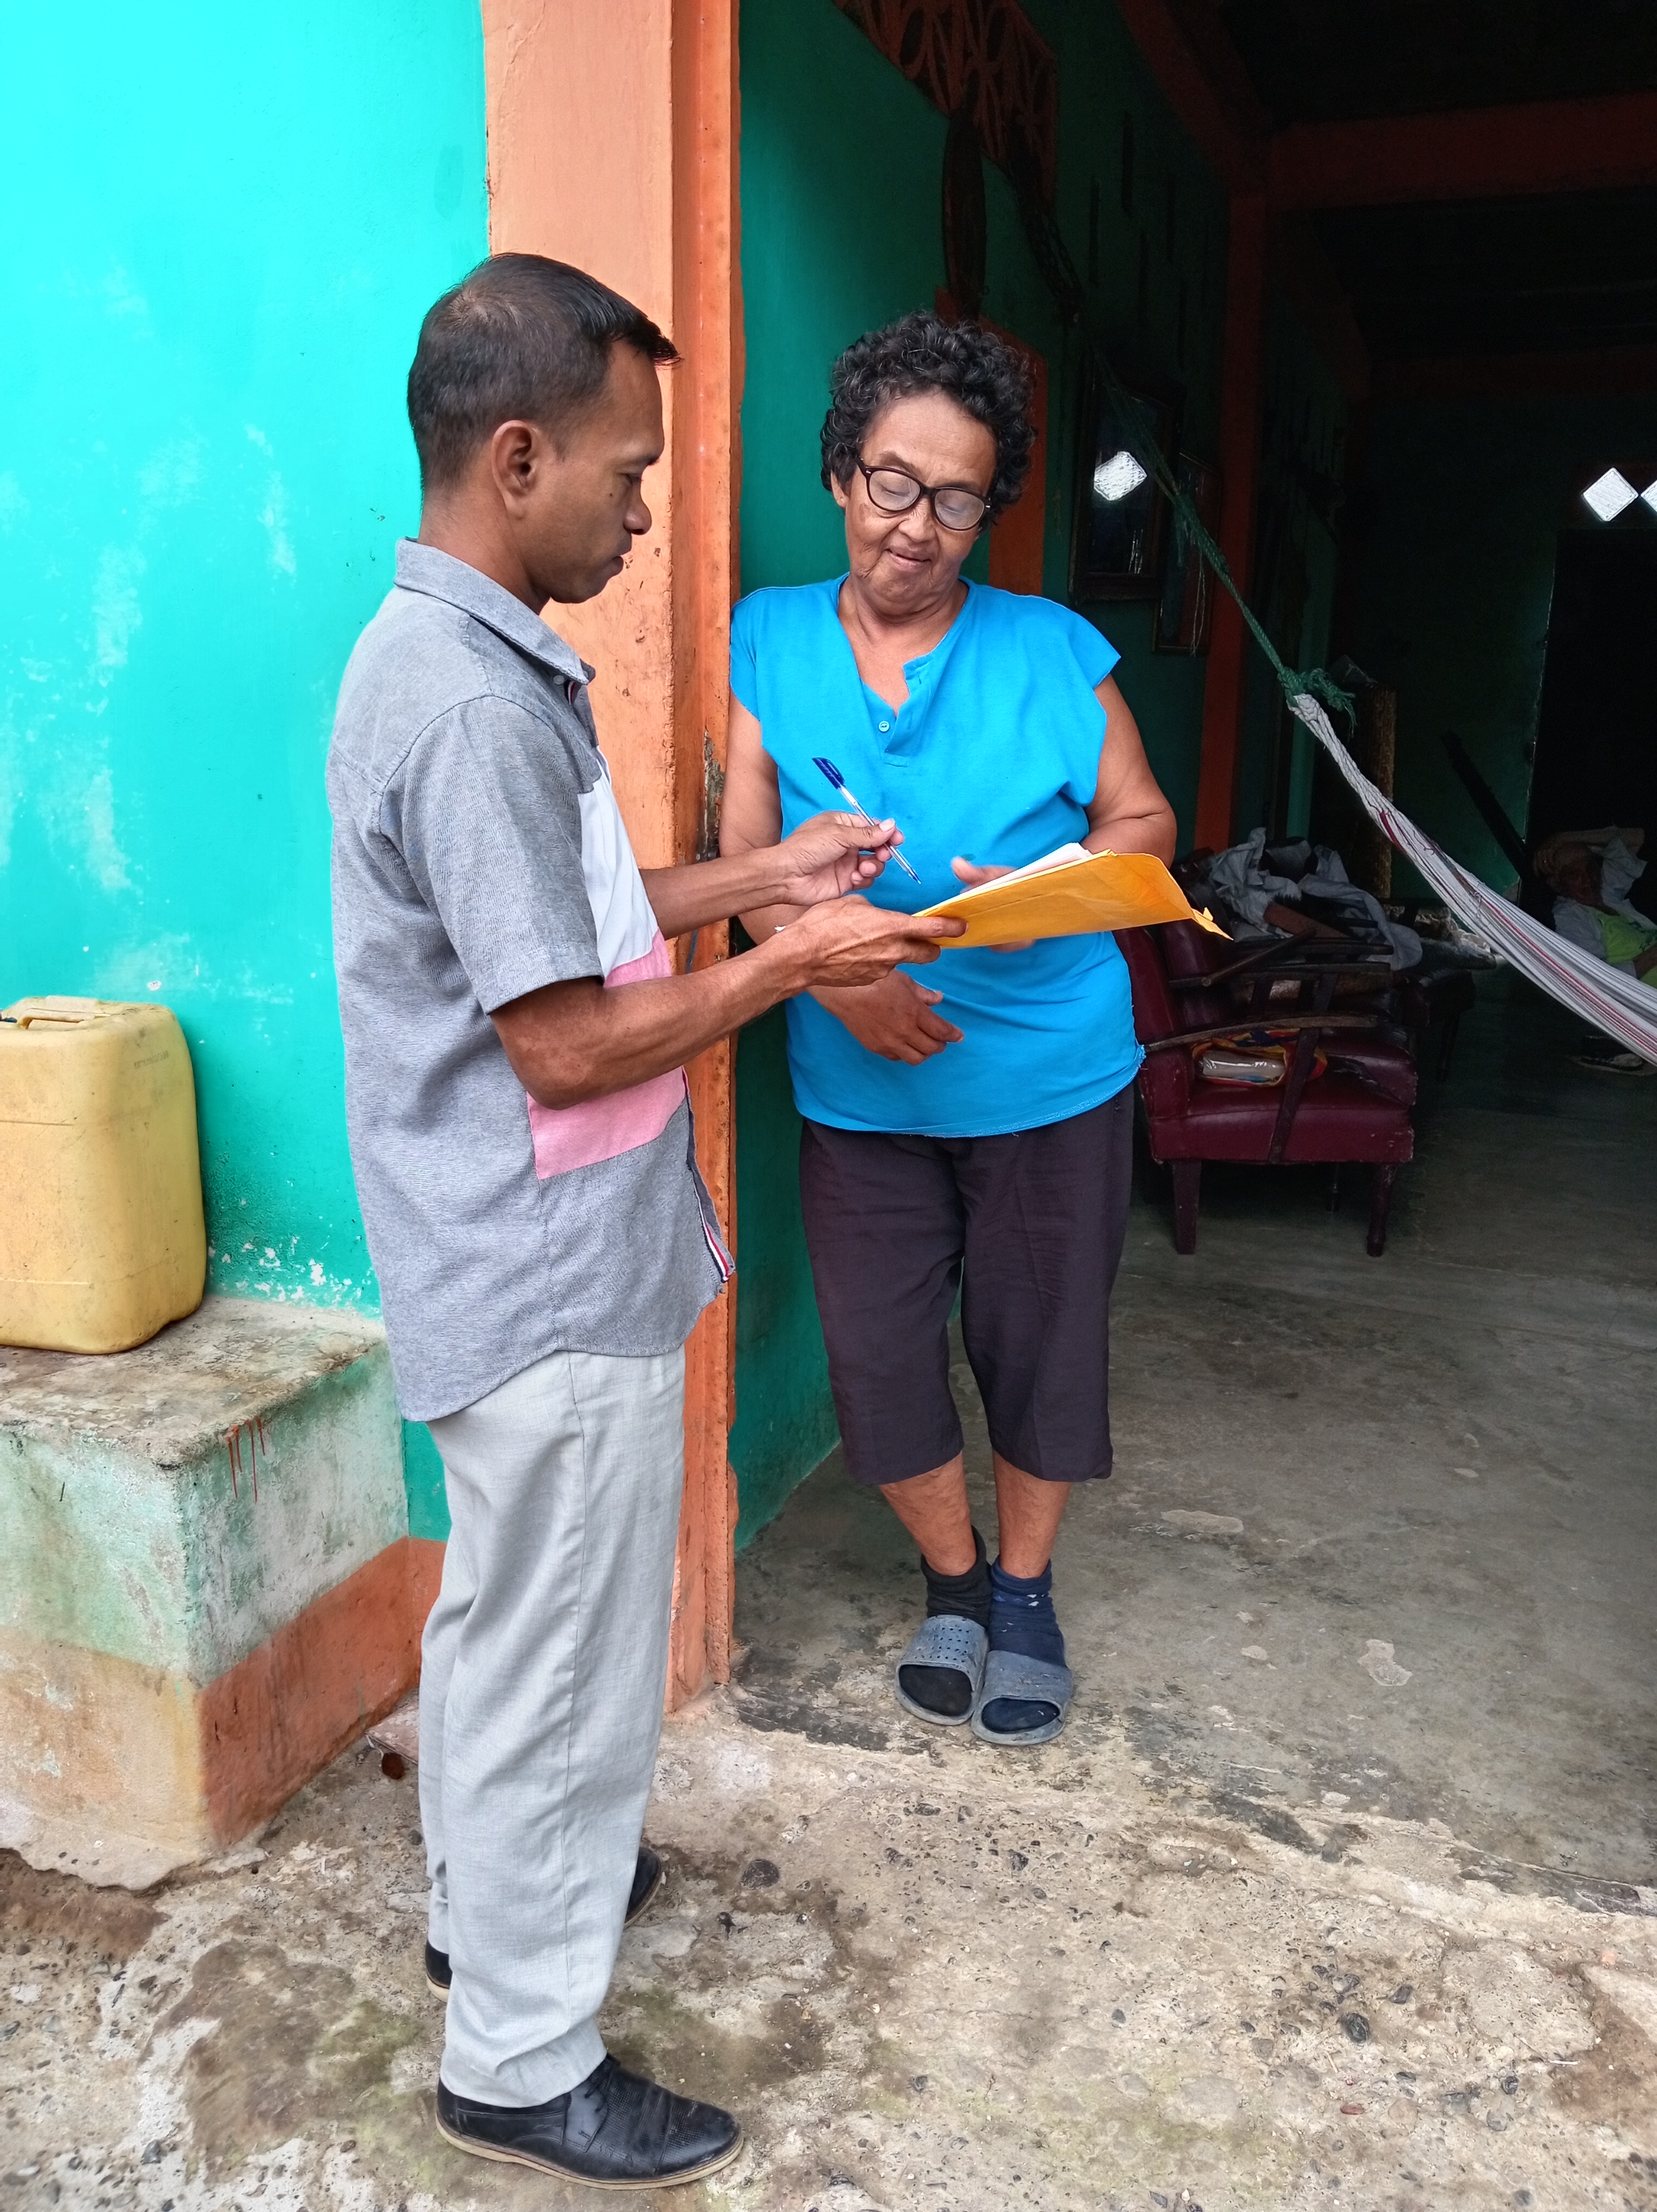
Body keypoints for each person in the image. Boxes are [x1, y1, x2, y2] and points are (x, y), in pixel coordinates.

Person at [327, 256, 959, 2190]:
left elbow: (567, 928)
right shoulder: (469, 703)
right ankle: (519, 2056)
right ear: (516, 458)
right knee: (562, 1664)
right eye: (626, 470)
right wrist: (794, 959)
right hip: (543, 1270)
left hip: (513, 1248)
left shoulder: (467, 659)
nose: (642, 510)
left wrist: (759, 877)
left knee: (505, 1622)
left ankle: (495, 1902)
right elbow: (563, 1039)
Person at [720, 310, 1176, 1750]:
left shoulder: (1052, 651)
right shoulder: (766, 638)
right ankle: (955, 1581)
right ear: (840, 474)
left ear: (991, 512)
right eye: (892, 483)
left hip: (1050, 1068)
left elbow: (1146, 822)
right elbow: (742, 862)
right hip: (859, 1081)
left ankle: (1025, 1596)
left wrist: (1053, 892)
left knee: (1038, 1342)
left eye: (959, 499)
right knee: (878, 1353)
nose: (917, 526)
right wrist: (831, 978)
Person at [1533, 825, 1655, 1071]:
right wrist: (1652, 957)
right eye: (1574, 874)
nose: (1588, 879)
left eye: (1590, 868)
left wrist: (1566, 837)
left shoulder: (1606, 894)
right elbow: (1596, 983)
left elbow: (1635, 839)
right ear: (1558, 884)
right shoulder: (1570, 918)